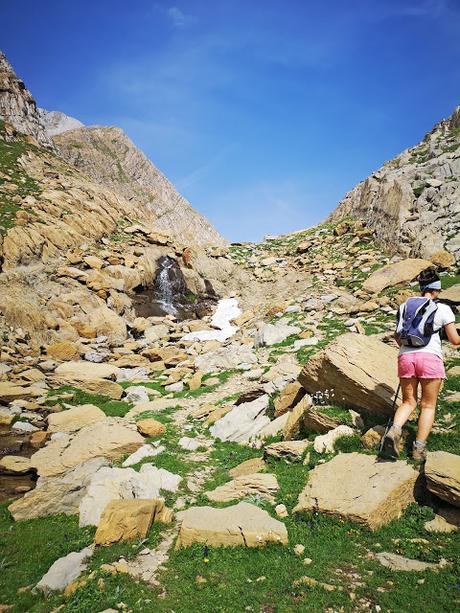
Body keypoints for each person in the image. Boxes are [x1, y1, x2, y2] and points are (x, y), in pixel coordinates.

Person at [381, 267, 460, 462]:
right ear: (435, 290)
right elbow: (454, 340)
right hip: (430, 359)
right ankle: (418, 450)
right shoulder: (442, 308)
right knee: (428, 406)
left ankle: (394, 432)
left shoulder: (404, 307)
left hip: (406, 358)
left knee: (408, 402)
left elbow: (397, 336)